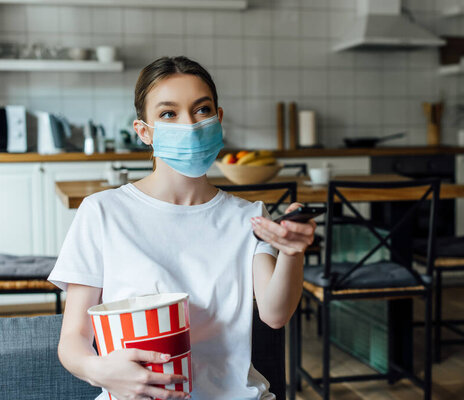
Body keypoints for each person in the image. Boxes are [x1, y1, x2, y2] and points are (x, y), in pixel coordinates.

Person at [48, 56, 316, 400]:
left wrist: (292, 253)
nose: (189, 124)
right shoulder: (102, 212)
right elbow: (72, 340)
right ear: (144, 132)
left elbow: (275, 314)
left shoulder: (247, 216)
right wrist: (99, 370)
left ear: (218, 119)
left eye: (202, 110)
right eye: (168, 113)